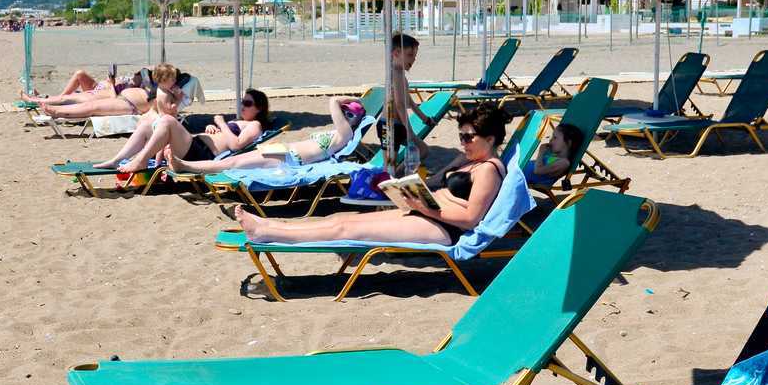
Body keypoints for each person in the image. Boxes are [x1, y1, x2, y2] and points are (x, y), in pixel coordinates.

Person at [238, 104, 509, 249]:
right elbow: (440, 182)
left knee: (348, 230)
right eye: (460, 136)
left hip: (444, 227)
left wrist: (425, 206)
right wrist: (411, 191)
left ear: (491, 138)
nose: (463, 142)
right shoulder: (471, 159)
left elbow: (471, 219)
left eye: (468, 137)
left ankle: (267, 233)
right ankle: (271, 226)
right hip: (425, 211)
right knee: (342, 220)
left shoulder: (488, 170)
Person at [170, 93, 364, 174]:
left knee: (230, 163)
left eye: (348, 114)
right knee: (230, 162)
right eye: (344, 112)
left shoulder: (344, 135)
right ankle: (185, 165)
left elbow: (332, 101)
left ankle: (185, 166)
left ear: (355, 119)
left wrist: (349, 99)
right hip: (284, 150)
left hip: (290, 159)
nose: (343, 116)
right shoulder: (338, 133)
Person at [108, 89, 270, 175]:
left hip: (201, 154)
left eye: (248, 103)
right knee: (146, 125)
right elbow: (226, 137)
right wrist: (213, 128)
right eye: (243, 101)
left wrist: (221, 123)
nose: (243, 105)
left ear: (259, 108)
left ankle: (140, 161)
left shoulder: (255, 125)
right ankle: (117, 159)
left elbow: (236, 145)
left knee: (168, 120)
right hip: (195, 145)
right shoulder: (239, 121)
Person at [383, 33, 434, 165]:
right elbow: (400, 104)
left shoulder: (400, 73)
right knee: (389, 164)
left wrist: (425, 118)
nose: (413, 60)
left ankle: (398, 177)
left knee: (422, 150)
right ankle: (394, 178)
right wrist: (410, 131)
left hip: (396, 125)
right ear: (396, 53)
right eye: (410, 55)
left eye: (415, 56)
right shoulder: (395, 74)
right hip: (389, 125)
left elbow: (408, 101)